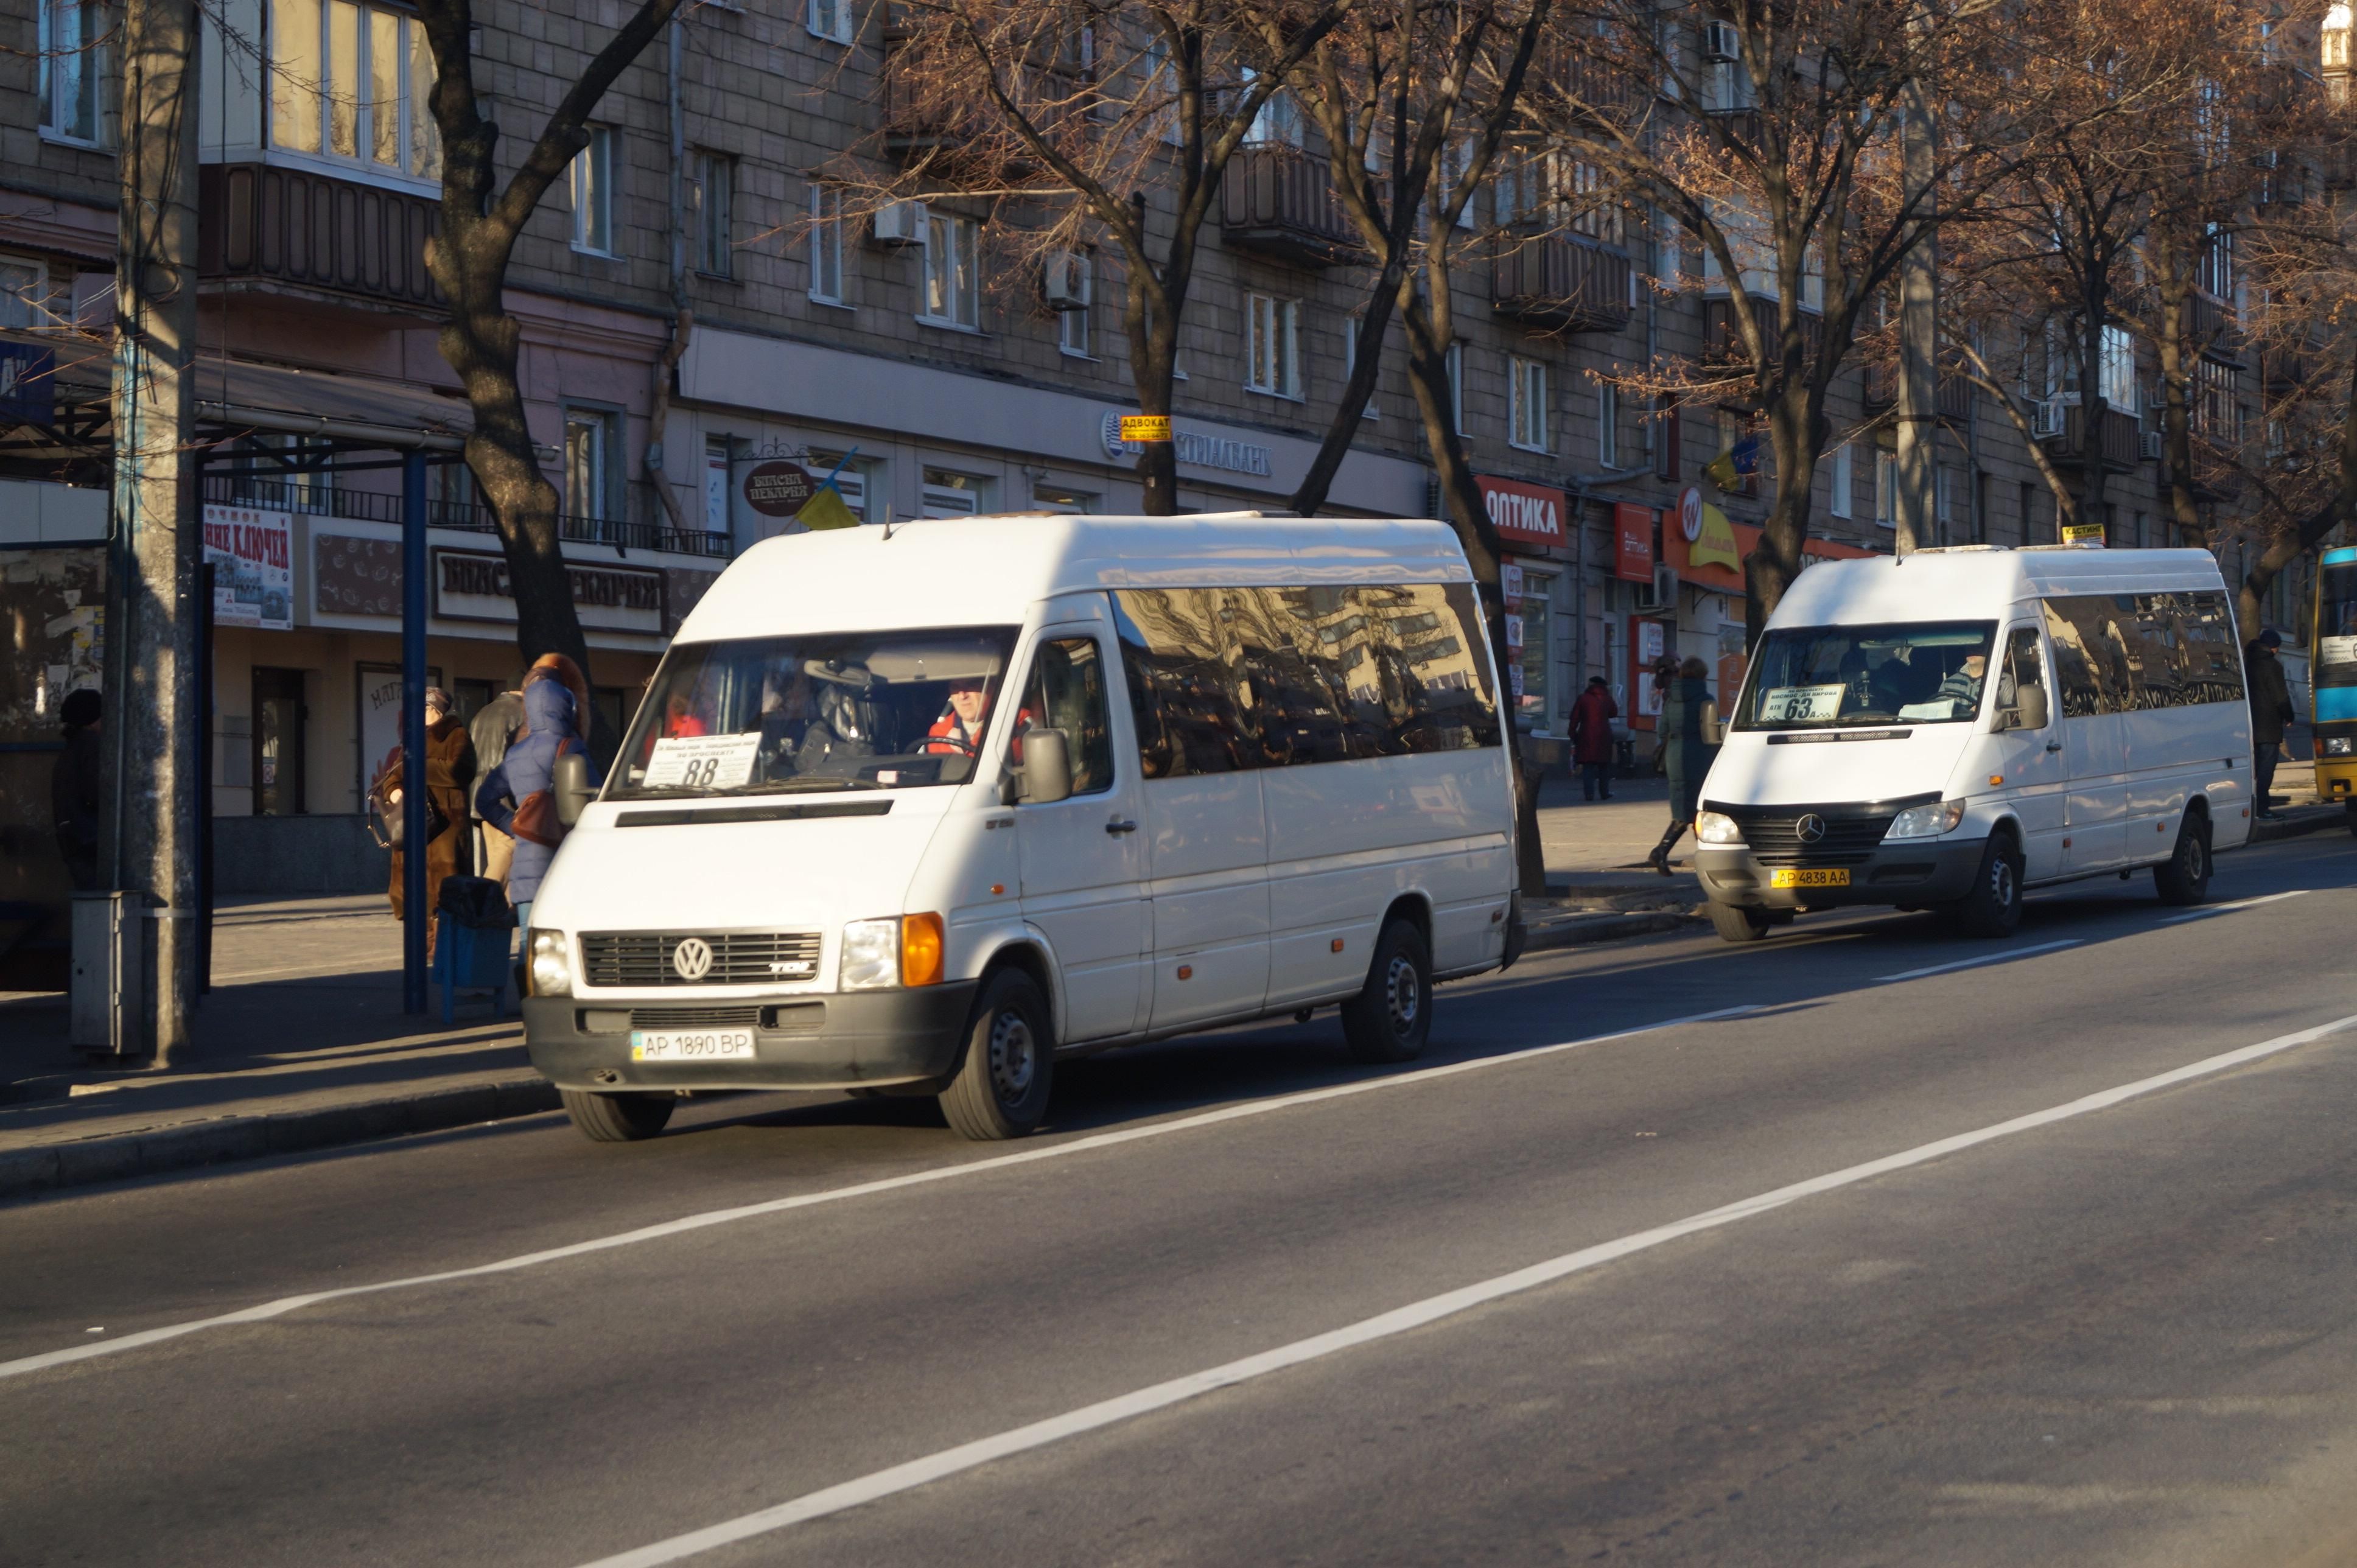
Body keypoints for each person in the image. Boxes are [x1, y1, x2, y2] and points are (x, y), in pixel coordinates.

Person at [475, 662, 600, 930]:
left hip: (525, 867)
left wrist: (516, 826)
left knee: (526, 946)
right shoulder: (573, 747)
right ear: (566, 707)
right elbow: (596, 798)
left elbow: (484, 800)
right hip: (565, 860)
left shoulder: (515, 754)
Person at [371, 687, 477, 958]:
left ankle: (442, 948)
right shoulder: (413, 739)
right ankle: (423, 944)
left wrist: (419, 766)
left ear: (434, 710)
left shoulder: (457, 735)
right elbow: (394, 775)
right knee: (415, 891)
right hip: (413, 825)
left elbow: (459, 771)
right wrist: (395, 789)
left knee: (445, 891)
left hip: (444, 827)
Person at [1647, 657, 1721, 876]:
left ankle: (1664, 852)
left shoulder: (1671, 700)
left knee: (1685, 809)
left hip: (1674, 758)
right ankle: (1664, 852)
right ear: (1702, 675)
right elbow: (1714, 733)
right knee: (1700, 809)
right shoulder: (1706, 699)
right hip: (1699, 758)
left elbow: (1663, 732)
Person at [468, 683, 526, 886]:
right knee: (506, 856)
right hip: (505, 798)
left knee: (497, 858)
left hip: (480, 794)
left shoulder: (483, 712)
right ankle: (483, 902)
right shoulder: (521, 713)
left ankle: (500, 913)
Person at [49, 688, 103, 892]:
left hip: (75, 839)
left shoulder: (72, 749)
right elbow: (97, 793)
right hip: (90, 840)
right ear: (92, 719)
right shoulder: (92, 747)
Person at [2247, 628, 2296, 817]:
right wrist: (2289, 717)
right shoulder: (2272, 666)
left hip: (2250, 725)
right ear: (2273, 647)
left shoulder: (2247, 663)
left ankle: (2252, 807)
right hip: (2268, 727)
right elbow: (2281, 696)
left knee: (2254, 769)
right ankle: (2263, 808)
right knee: (2266, 768)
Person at [1569, 676, 1619, 802]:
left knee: (1588, 766)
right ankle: (1605, 793)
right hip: (1604, 736)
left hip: (1587, 736)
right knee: (1604, 767)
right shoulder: (1607, 698)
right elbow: (1614, 713)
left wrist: (1572, 733)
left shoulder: (1583, 698)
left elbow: (1575, 717)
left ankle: (1589, 794)